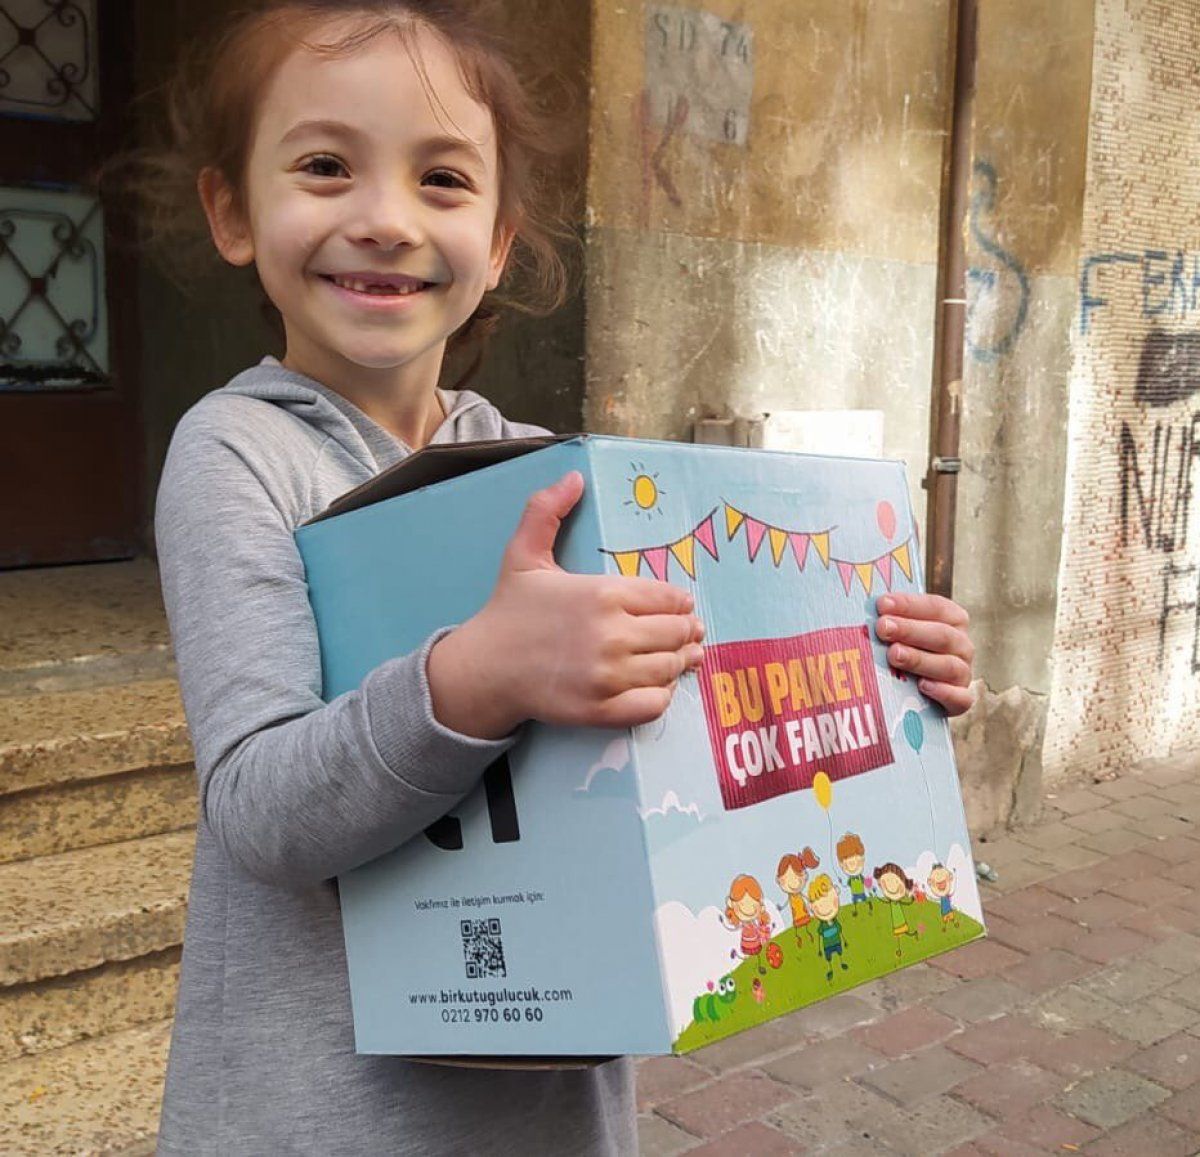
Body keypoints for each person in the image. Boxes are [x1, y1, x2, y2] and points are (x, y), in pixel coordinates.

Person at [143, 2, 979, 1152]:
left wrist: (884, 670)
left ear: (497, 241)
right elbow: (261, 808)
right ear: (233, 210)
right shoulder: (237, 452)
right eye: (326, 166)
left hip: (549, 1101)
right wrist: (474, 677)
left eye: (442, 178)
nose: (384, 218)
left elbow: (684, 721)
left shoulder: (543, 467)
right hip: (323, 1110)